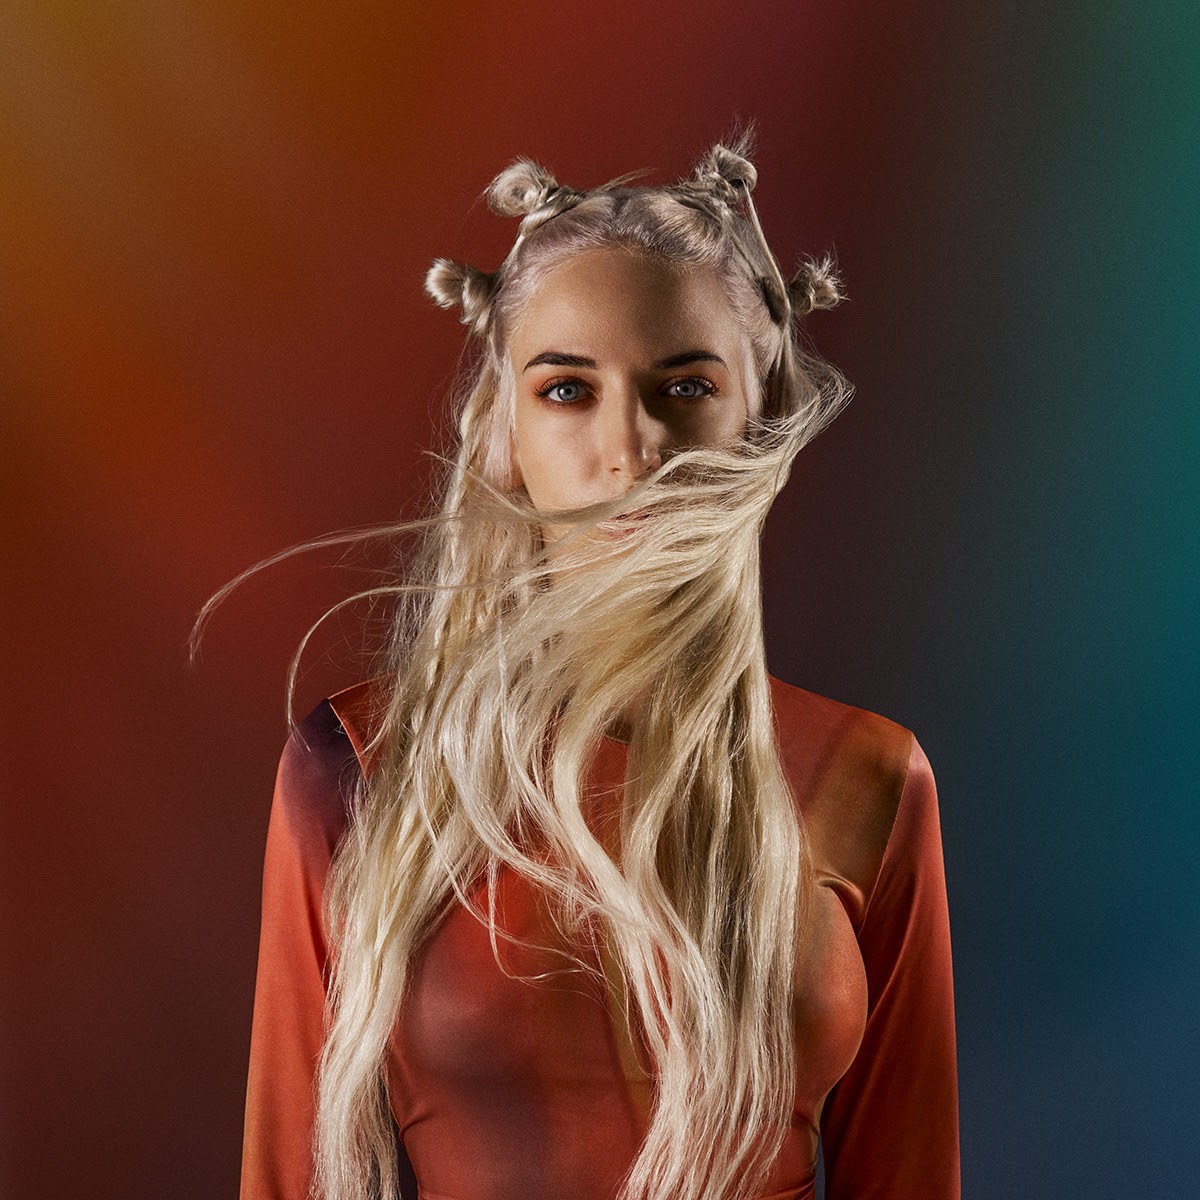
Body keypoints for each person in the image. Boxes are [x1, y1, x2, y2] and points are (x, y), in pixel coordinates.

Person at [227, 131, 960, 1200]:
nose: (632, 451)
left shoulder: (871, 780)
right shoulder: (359, 766)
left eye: (685, 386)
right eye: (568, 390)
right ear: (505, 430)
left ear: (758, 416)